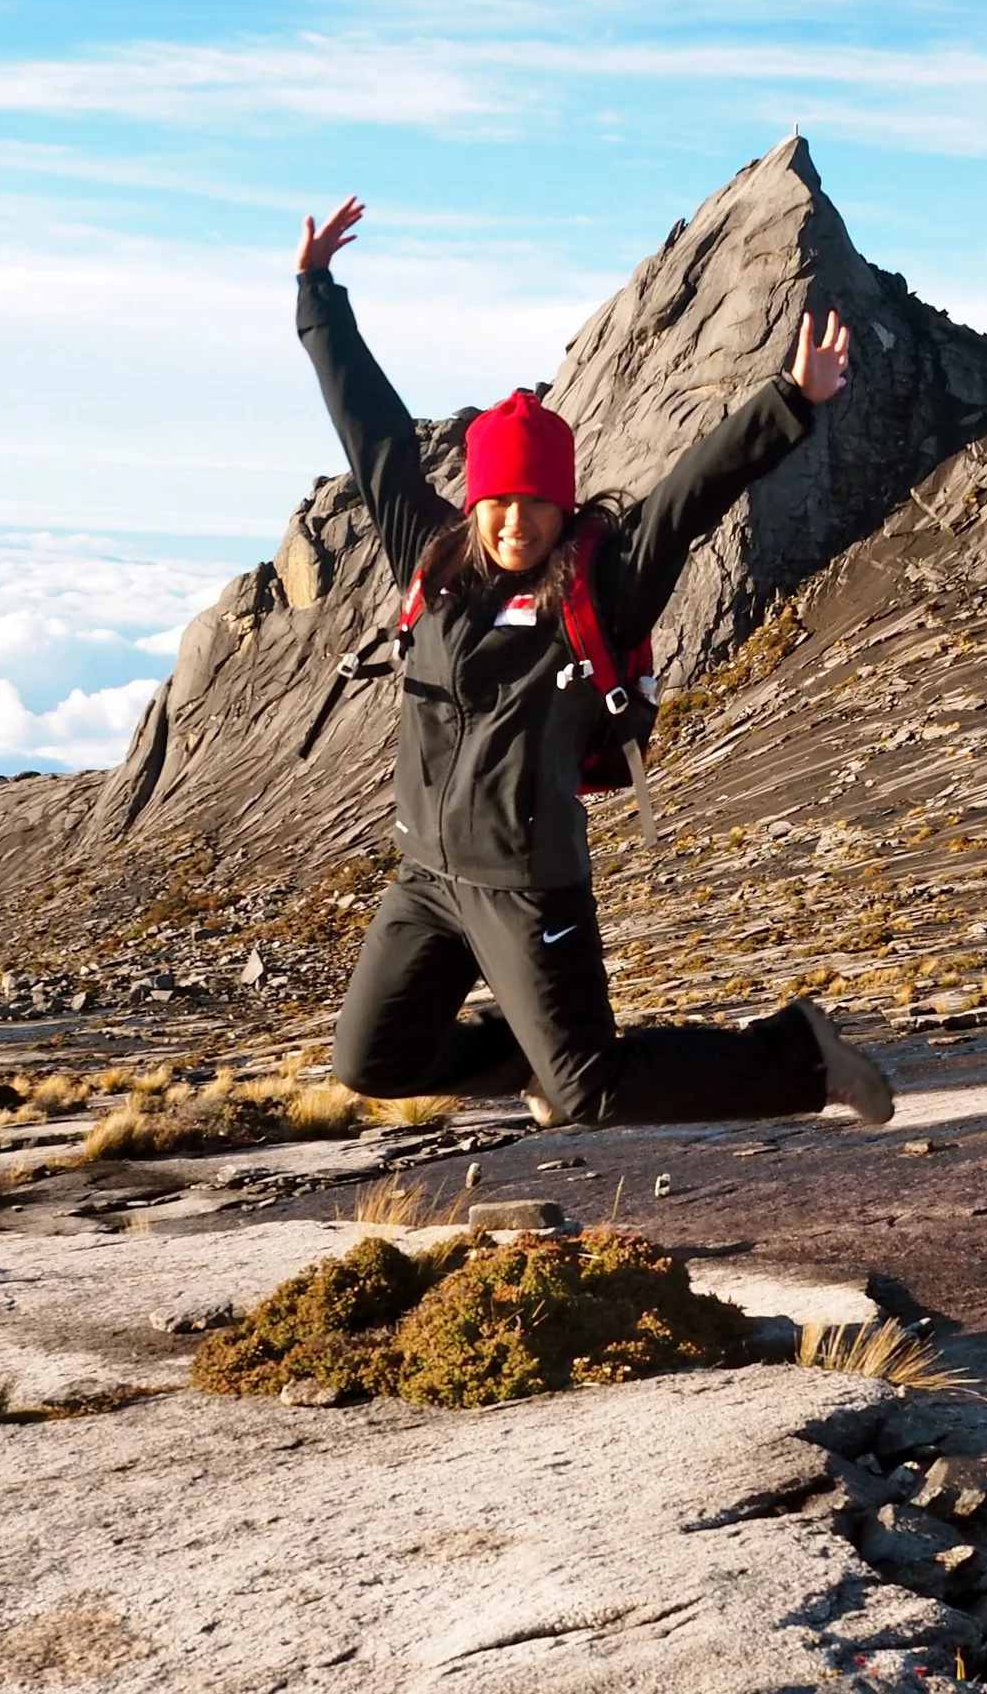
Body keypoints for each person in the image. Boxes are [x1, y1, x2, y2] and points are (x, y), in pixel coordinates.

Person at [296, 195, 894, 1129]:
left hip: (531, 879)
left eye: (537, 500)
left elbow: (692, 494)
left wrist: (790, 401)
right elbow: (371, 434)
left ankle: (800, 1056)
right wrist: (317, 295)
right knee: (374, 1057)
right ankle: (540, 1049)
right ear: (476, 498)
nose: (515, 520)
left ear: (562, 503)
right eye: (499, 499)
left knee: (591, 1090)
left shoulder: (601, 582)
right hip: (428, 877)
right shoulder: (433, 557)